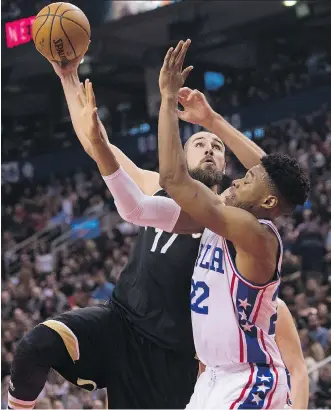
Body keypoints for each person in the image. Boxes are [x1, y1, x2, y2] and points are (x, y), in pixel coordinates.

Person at [8, 45, 307, 410]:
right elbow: (96, 143)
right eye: (199, 143)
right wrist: (68, 76)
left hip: (176, 359)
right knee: (34, 346)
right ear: (180, 154)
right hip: (120, 322)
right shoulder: (162, 188)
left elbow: (275, 181)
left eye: (218, 147)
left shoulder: (235, 215)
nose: (210, 149)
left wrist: (212, 123)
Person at [154, 39, 310, 408]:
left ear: (268, 201)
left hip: (249, 378)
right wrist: (210, 120)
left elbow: (173, 180)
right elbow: (268, 170)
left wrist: (165, 100)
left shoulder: (251, 231)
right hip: (214, 379)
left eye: (248, 179)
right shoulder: (242, 208)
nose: (238, 178)